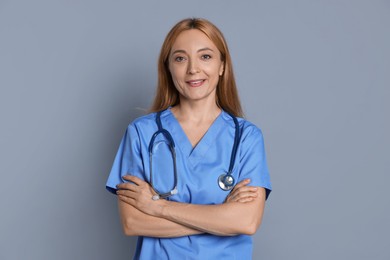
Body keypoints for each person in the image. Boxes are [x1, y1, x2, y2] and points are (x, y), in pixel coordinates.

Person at [106, 17, 272, 259]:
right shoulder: (142, 133)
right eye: (180, 58)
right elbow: (133, 222)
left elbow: (247, 221)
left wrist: (158, 207)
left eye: (205, 56)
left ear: (222, 66)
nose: (193, 69)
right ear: (168, 68)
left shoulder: (246, 138)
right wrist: (221, 216)